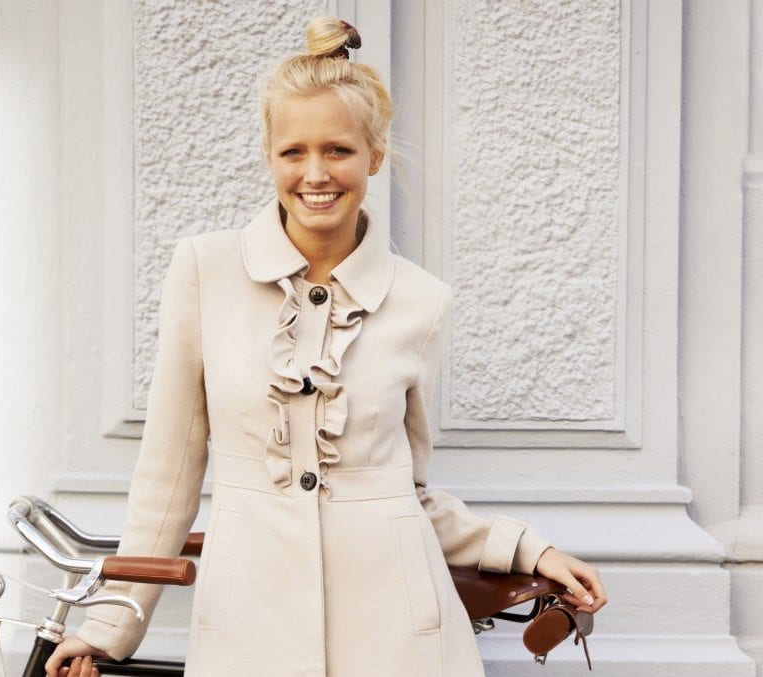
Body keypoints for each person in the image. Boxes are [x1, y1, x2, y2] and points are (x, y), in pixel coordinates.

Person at [45, 16, 606, 677]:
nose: (315, 174)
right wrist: (111, 624)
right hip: (248, 623)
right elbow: (168, 471)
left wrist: (524, 547)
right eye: (293, 152)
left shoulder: (421, 301)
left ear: (374, 154)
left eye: (338, 150)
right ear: (268, 155)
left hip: (399, 631)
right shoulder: (204, 270)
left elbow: (406, 490)